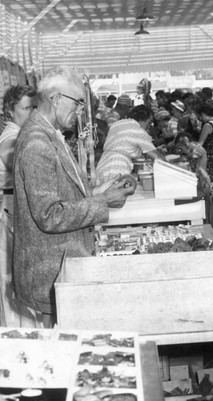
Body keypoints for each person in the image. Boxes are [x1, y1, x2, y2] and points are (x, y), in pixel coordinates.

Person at [13, 66, 135, 326]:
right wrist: (103, 202)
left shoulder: (50, 133)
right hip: (51, 270)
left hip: (60, 266)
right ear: (56, 99)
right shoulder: (37, 142)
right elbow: (50, 215)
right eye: (78, 103)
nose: (81, 111)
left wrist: (102, 191)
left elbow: (66, 192)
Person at [0, 84, 37, 327]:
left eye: (35, 107)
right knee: (12, 281)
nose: (32, 113)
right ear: (10, 111)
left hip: (14, 210)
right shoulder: (11, 137)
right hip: (8, 212)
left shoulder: (22, 133)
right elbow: (18, 161)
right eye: (26, 108)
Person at [96, 105, 166, 184]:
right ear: (142, 119)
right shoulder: (138, 130)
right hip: (117, 167)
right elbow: (157, 157)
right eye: (149, 123)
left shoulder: (117, 124)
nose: (148, 127)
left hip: (102, 165)